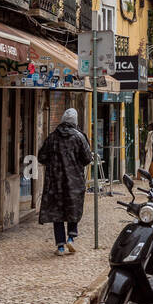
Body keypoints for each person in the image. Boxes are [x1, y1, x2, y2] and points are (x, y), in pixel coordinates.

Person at [38, 108, 93, 256]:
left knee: (58, 213)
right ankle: (71, 237)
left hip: (55, 183)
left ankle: (61, 246)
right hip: (74, 181)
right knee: (73, 209)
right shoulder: (79, 137)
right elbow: (88, 158)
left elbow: (41, 157)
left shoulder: (52, 137)